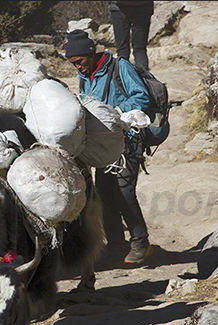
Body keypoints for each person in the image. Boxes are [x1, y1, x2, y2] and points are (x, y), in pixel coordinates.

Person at [66, 29, 154, 265]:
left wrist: (115, 113)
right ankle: (116, 246)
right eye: (73, 64)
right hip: (103, 145)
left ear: (91, 53)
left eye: (80, 61)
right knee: (104, 195)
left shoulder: (119, 67)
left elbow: (141, 97)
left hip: (129, 140)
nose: (78, 67)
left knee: (124, 192)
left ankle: (140, 243)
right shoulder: (84, 76)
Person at [109, 1, 154, 71]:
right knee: (140, 50)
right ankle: (144, 79)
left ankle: (123, 79)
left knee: (122, 51)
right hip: (144, 6)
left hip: (118, 8)